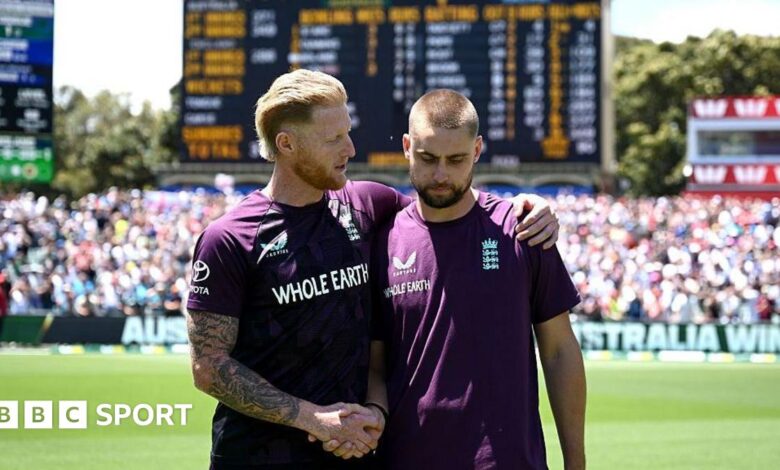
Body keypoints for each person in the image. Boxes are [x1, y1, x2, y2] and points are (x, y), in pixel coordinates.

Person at [186, 70, 560, 469]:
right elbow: (208, 367)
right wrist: (310, 417)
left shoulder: (367, 204)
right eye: (333, 139)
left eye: (348, 132)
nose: (350, 147)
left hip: (357, 454)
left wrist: (524, 205)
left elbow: (446, 202)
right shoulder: (229, 238)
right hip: (257, 457)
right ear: (287, 143)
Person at [367, 89, 586, 469]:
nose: (440, 175)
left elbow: (559, 351)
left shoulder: (524, 230)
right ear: (406, 146)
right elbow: (374, 363)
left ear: (478, 150)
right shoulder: (381, 240)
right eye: (427, 158)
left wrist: (575, 462)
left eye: (456, 160)